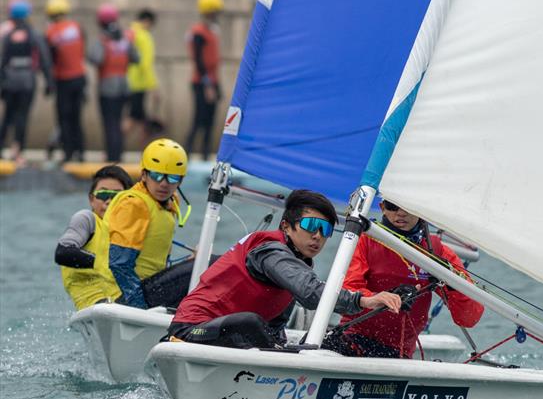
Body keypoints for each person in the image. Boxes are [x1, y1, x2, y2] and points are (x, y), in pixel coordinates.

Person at [167, 189, 402, 350]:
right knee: (251, 322)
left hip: (226, 334)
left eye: (326, 230)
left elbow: (276, 324)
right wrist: (365, 300)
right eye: (311, 225)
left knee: (325, 337)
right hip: (190, 332)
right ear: (286, 227)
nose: (318, 236)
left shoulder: (296, 263)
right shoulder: (271, 252)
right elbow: (311, 293)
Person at [329, 199, 484, 359]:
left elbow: (469, 318)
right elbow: (345, 293)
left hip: (398, 351)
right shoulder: (365, 241)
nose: (401, 213)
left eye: (408, 207)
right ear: (382, 208)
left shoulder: (437, 253)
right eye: (393, 206)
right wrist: (381, 297)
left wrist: (453, 284)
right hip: (352, 338)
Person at [105, 138, 189, 309]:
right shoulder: (134, 204)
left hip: (149, 288)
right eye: (157, 176)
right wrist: (139, 308)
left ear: (181, 181)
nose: (164, 184)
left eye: (172, 178)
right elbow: (119, 264)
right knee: (207, 265)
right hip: (126, 295)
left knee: (206, 265)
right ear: (143, 174)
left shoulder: (170, 202)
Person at [55, 166, 134, 310]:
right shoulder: (86, 219)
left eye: (117, 196)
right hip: (97, 307)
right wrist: (101, 263)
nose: (109, 201)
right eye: (103, 194)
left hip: (130, 301)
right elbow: (62, 252)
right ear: (91, 199)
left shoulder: (133, 230)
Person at [0, 0, 53, 164]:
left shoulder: (8, 35)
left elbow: (2, 61)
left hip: (10, 81)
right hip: (27, 82)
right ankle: (18, 151)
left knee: (8, 116)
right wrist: (49, 81)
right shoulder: (33, 34)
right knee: (22, 116)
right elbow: (44, 57)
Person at [87, 3, 138, 163]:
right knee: (118, 122)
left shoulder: (103, 39)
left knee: (110, 123)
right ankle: (118, 154)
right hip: (124, 85)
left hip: (107, 87)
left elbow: (96, 58)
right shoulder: (125, 39)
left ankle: (112, 156)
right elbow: (136, 58)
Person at [45, 0, 86, 163]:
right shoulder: (76, 27)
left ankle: (68, 153)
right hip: (79, 77)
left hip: (63, 80)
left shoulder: (51, 32)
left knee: (64, 118)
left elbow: (50, 59)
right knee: (77, 117)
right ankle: (80, 151)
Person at [184, 0, 223, 160]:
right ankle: (187, 152)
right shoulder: (198, 32)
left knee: (210, 122)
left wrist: (216, 85)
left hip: (212, 81)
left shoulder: (212, 30)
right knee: (199, 120)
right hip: (202, 82)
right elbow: (199, 60)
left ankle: (206, 156)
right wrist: (207, 85)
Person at [125, 9, 159, 148]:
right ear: (147, 21)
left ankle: (142, 151)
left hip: (127, 82)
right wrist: (154, 86)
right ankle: (115, 146)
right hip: (138, 84)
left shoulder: (129, 33)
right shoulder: (144, 36)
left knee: (141, 120)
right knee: (134, 119)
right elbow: (145, 64)